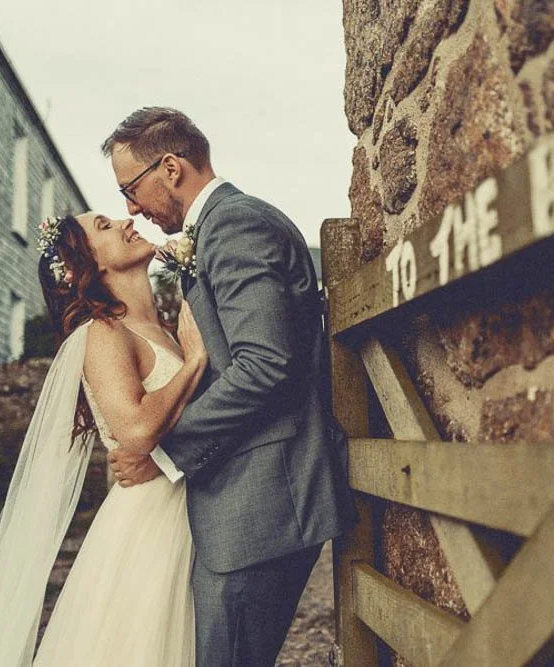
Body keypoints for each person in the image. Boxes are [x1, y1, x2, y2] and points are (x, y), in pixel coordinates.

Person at [103, 107, 355, 666]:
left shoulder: (236, 226)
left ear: (170, 168)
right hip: (243, 503)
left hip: (261, 504)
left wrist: (164, 452)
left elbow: (264, 364)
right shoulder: (217, 230)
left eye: (130, 188)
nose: (130, 208)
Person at [0, 212, 207, 665]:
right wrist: (192, 364)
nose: (127, 220)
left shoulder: (164, 328)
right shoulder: (104, 334)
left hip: (188, 509)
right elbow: (134, 431)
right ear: (87, 266)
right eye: (105, 227)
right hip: (149, 524)